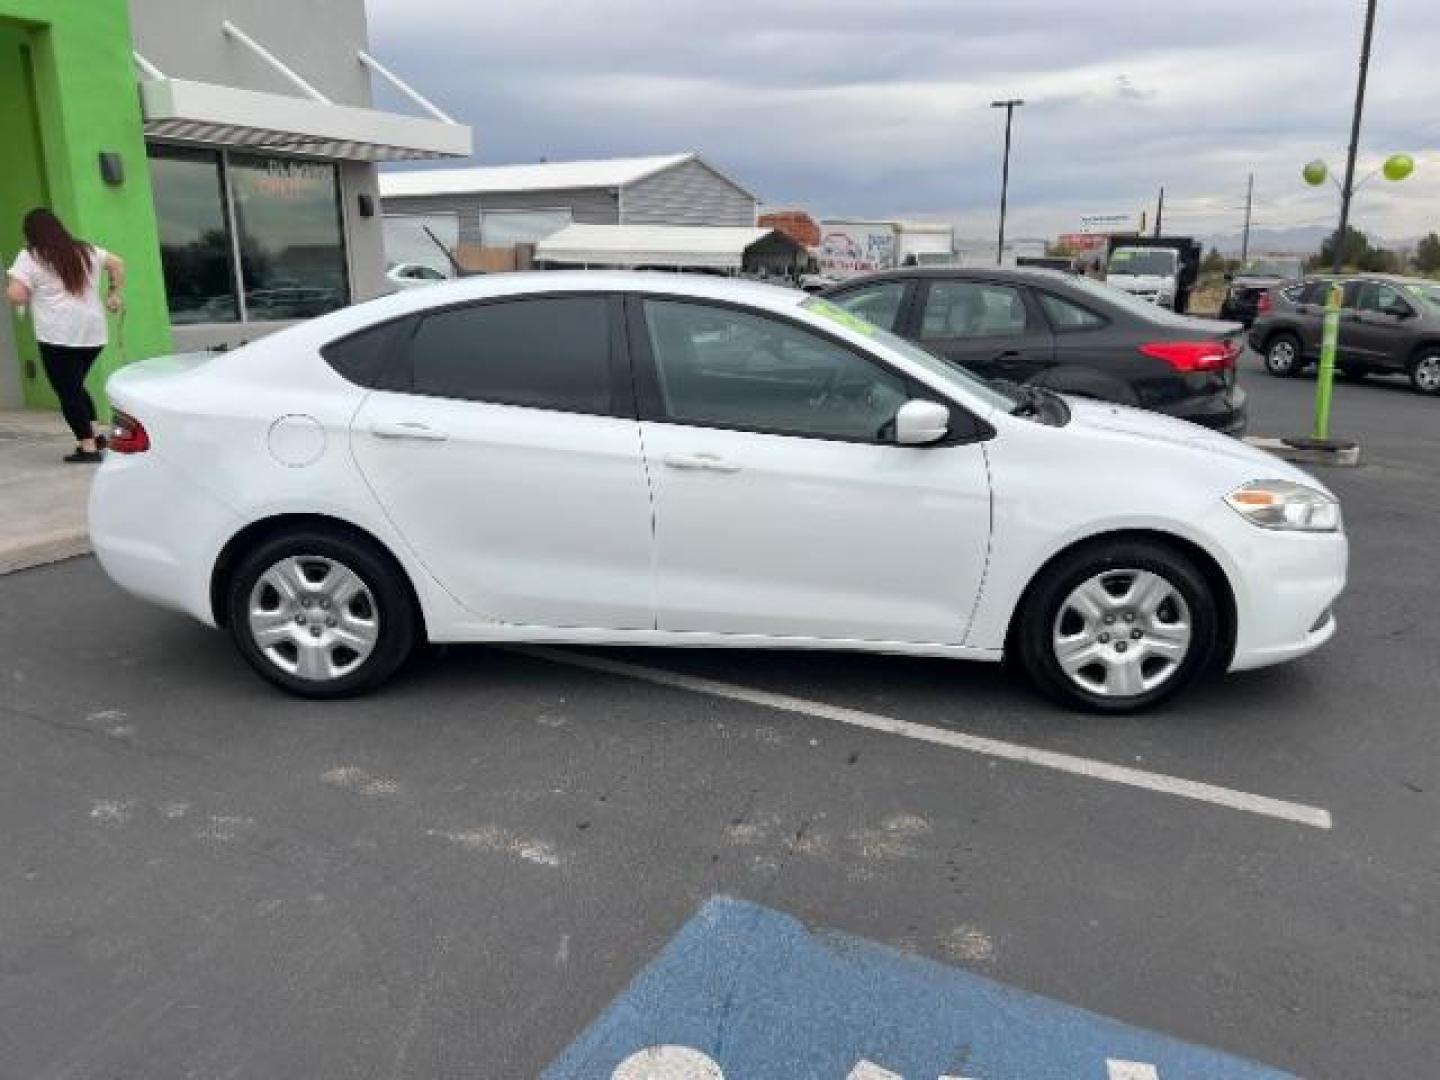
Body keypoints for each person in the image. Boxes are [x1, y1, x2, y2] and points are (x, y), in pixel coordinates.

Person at [5, 208, 124, 463]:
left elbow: (16, 295)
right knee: (75, 386)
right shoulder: (85, 250)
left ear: (31, 233)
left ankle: (89, 447)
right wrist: (113, 293)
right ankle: (93, 433)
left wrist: (20, 291)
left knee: (67, 392)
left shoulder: (31, 256)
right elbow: (117, 263)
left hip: (58, 336)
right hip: (92, 336)